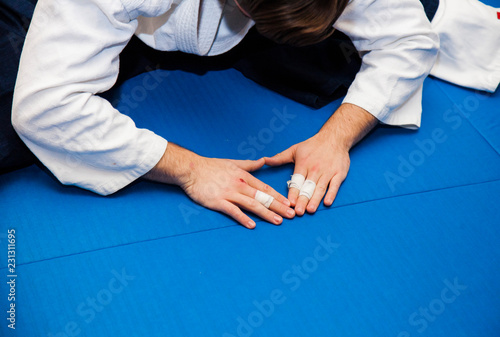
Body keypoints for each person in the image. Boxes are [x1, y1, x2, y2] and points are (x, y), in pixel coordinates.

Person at [5, 0, 500, 228]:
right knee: (13, 109)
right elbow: (47, 106)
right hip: (106, 17)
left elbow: (406, 40)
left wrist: (337, 137)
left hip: (243, 26)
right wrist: (189, 168)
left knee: (349, 59)